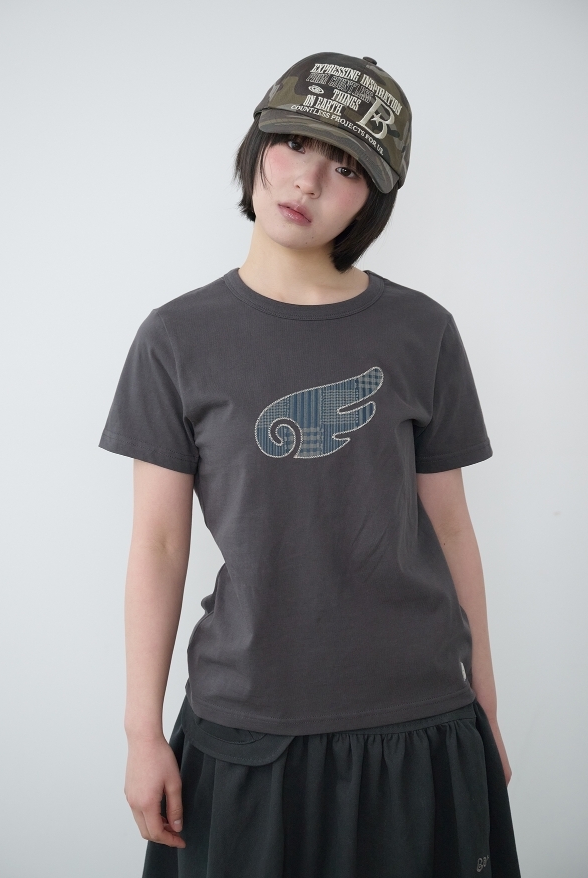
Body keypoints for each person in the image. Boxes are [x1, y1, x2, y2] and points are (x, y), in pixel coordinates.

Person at [99, 51, 522, 878]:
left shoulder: (421, 331)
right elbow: (157, 545)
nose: (307, 181)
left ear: (373, 198)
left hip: (417, 716)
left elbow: (450, 530)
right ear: (258, 145)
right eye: (294, 143)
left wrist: (486, 707)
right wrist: (141, 734)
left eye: (347, 168)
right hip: (246, 722)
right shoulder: (176, 338)